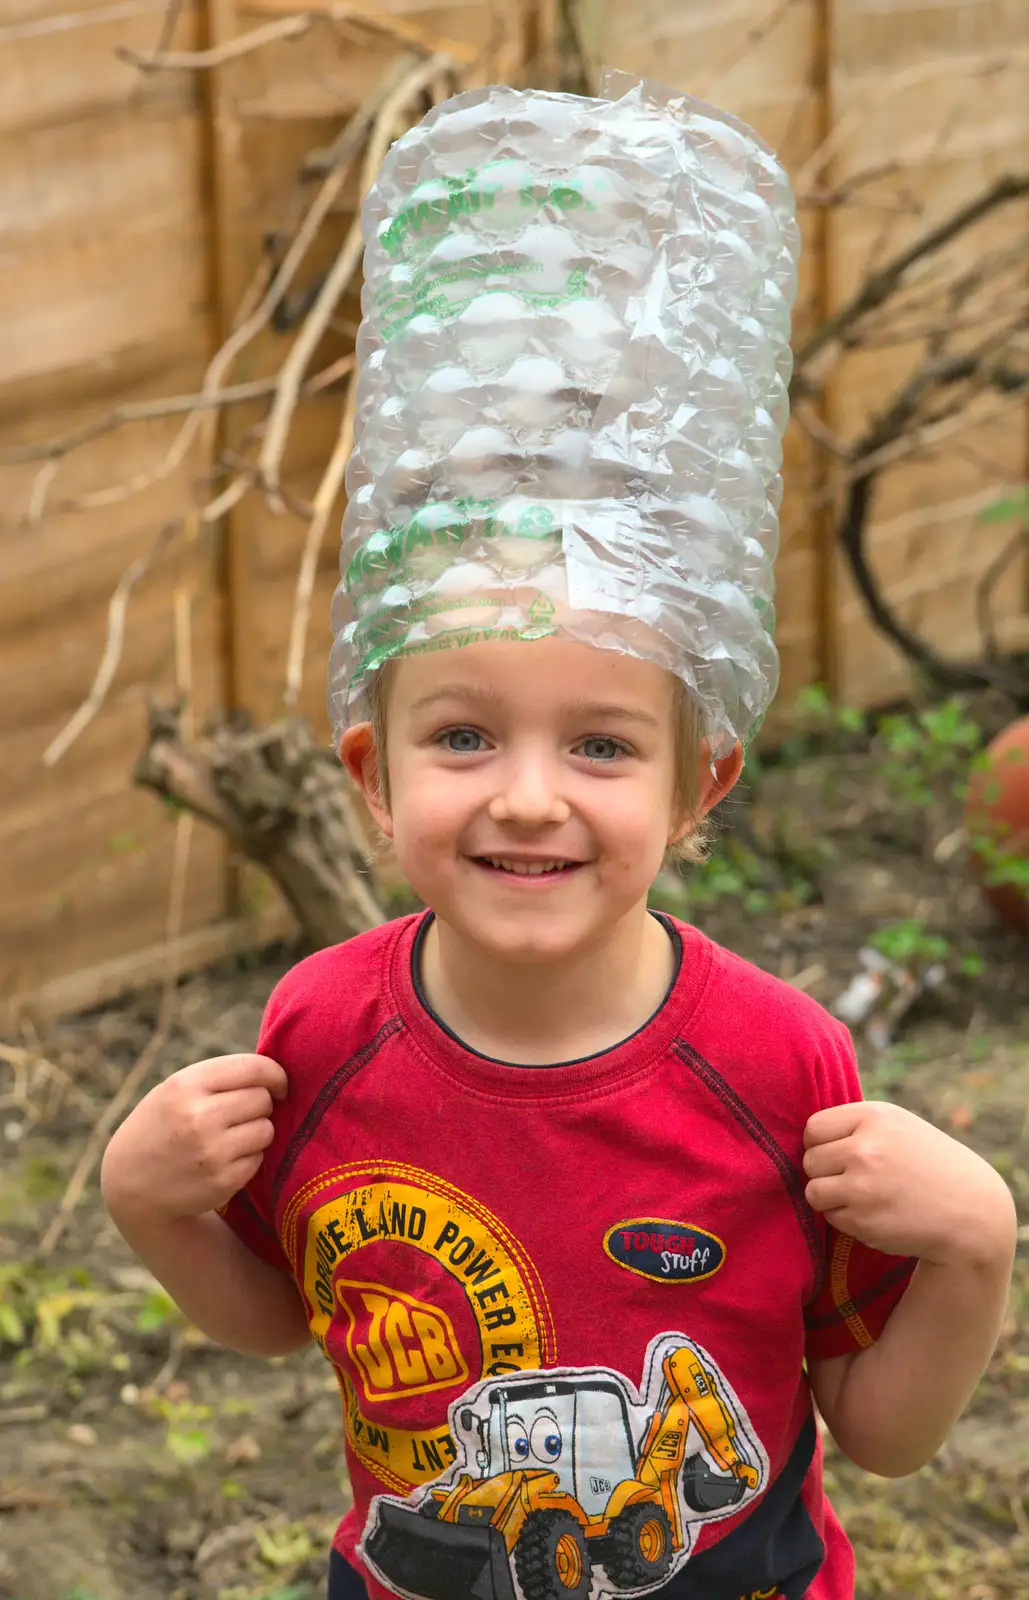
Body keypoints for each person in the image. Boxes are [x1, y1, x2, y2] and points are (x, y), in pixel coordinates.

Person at [101, 77, 1016, 1600]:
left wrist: (978, 1247)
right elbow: (280, 1317)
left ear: (697, 787)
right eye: (463, 735)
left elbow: (880, 1430)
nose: (529, 793)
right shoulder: (320, 1031)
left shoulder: (779, 1070)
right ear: (372, 774)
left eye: (601, 744)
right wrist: (148, 1203)